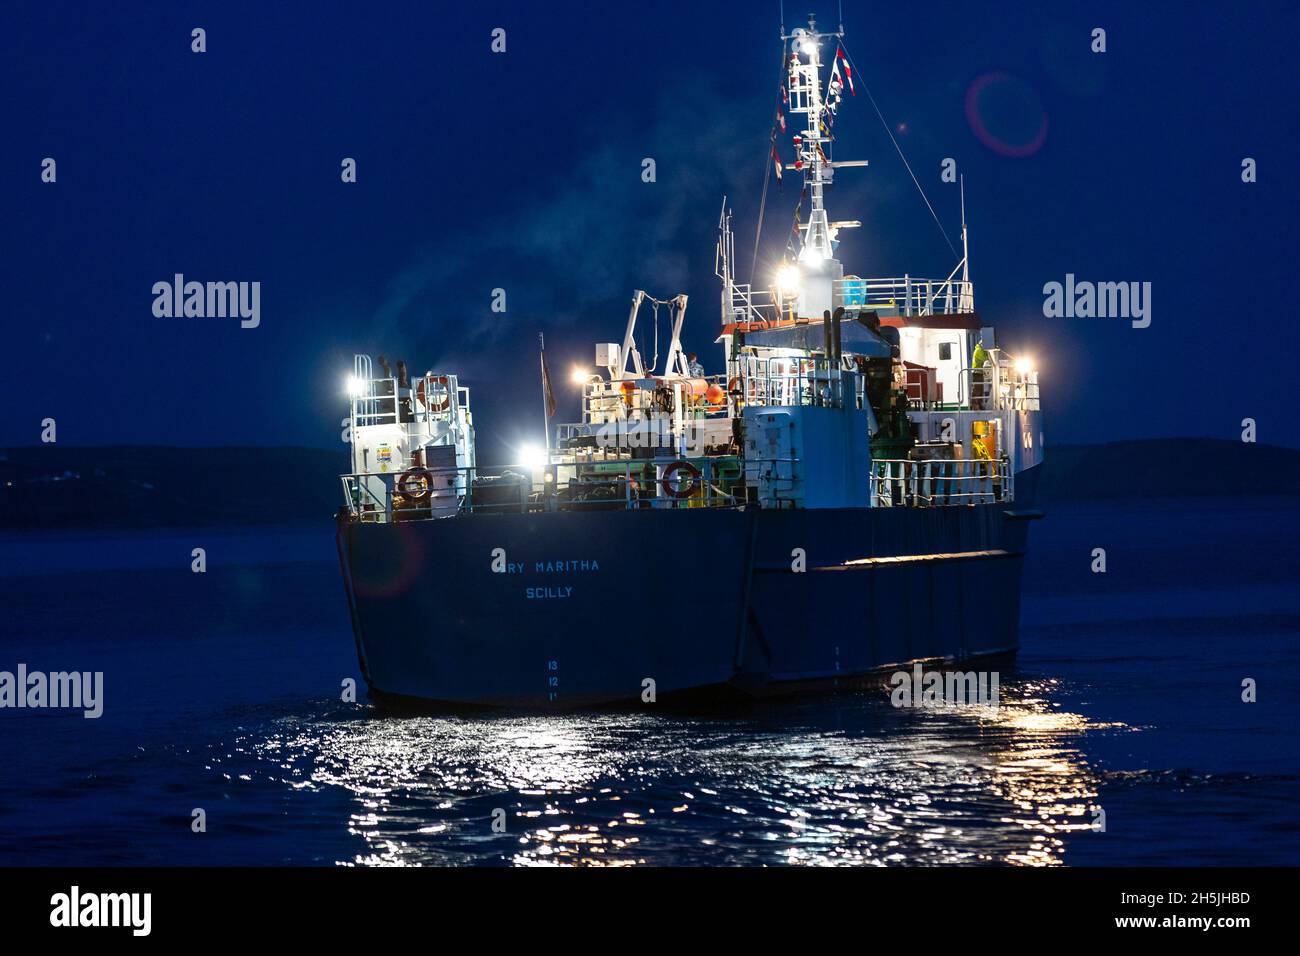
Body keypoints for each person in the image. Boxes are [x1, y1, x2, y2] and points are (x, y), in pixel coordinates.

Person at [970, 337, 990, 410]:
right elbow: (985, 359)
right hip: (977, 372)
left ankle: (979, 404)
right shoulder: (978, 350)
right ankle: (975, 406)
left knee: (980, 390)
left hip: (980, 372)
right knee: (977, 390)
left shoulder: (982, 350)